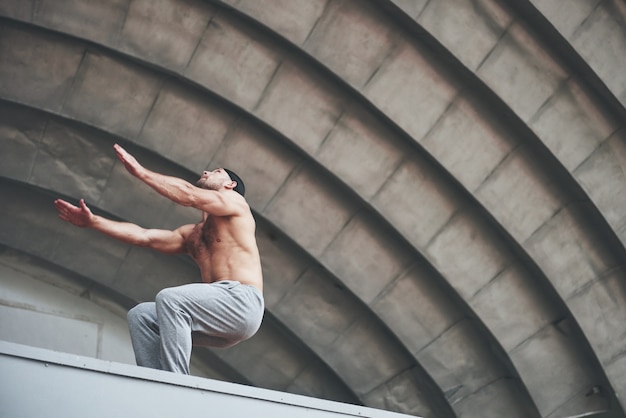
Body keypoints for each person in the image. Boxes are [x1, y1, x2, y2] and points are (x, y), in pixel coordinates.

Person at [53, 144, 264, 375]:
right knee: (141, 316)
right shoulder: (192, 235)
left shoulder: (236, 204)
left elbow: (189, 195)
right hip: (218, 318)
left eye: (216, 172)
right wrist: (94, 222)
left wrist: (141, 172)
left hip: (241, 301)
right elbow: (144, 237)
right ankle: (154, 382)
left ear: (230, 184)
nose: (206, 172)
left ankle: (176, 384)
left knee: (170, 299)